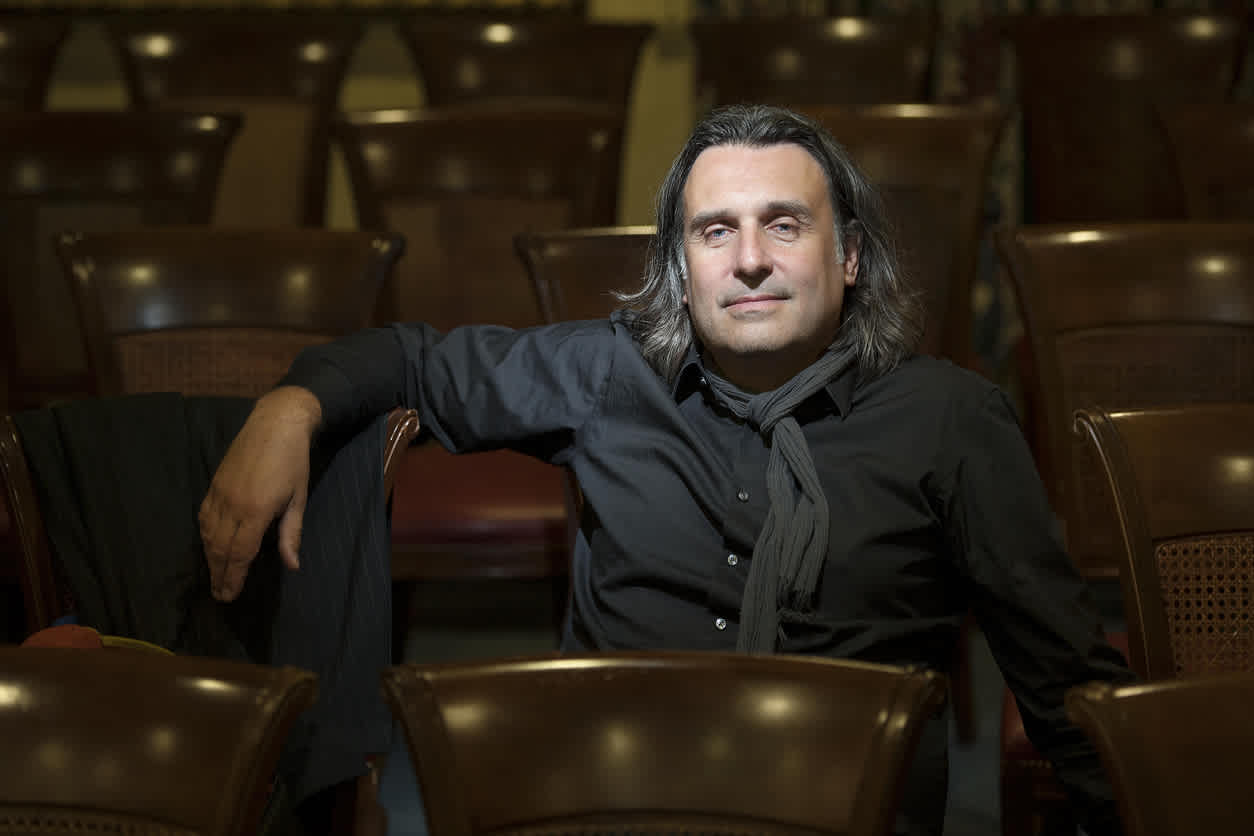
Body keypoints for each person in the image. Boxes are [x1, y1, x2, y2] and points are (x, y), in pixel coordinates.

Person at [200, 104, 1132, 835]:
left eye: (784, 225)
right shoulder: (610, 373)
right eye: (715, 232)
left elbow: (1063, 685)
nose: (751, 261)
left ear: (849, 256)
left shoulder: (952, 420)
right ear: (682, 272)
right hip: (615, 804)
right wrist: (292, 407)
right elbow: (412, 362)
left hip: (846, 812)